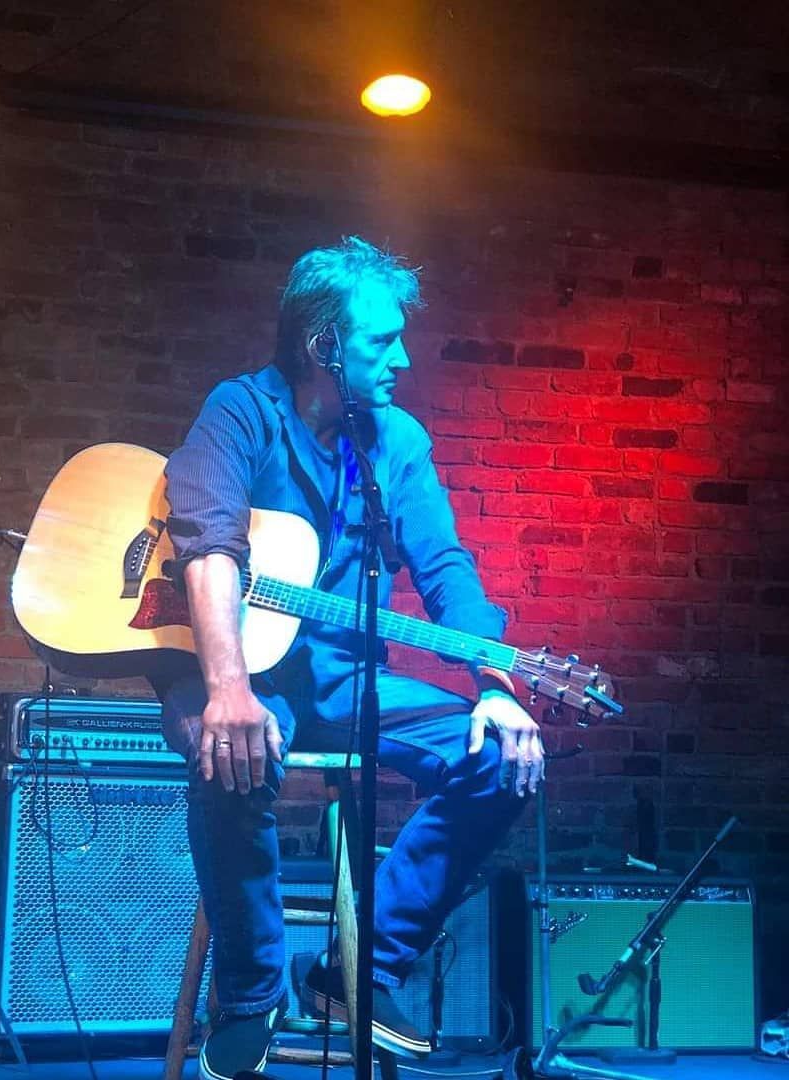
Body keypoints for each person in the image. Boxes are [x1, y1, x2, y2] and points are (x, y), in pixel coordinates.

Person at [158, 236, 544, 1080]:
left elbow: (444, 567)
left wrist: (498, 685)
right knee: (232, 753)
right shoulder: (240, 413)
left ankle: (355, 971)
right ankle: (252, 995)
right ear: (321, 345)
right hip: (245, 670)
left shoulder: (395, 442)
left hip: (343, 673)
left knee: (500, 760)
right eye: (381, 341)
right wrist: (228, 687)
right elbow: (207, 541)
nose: (403, 358)